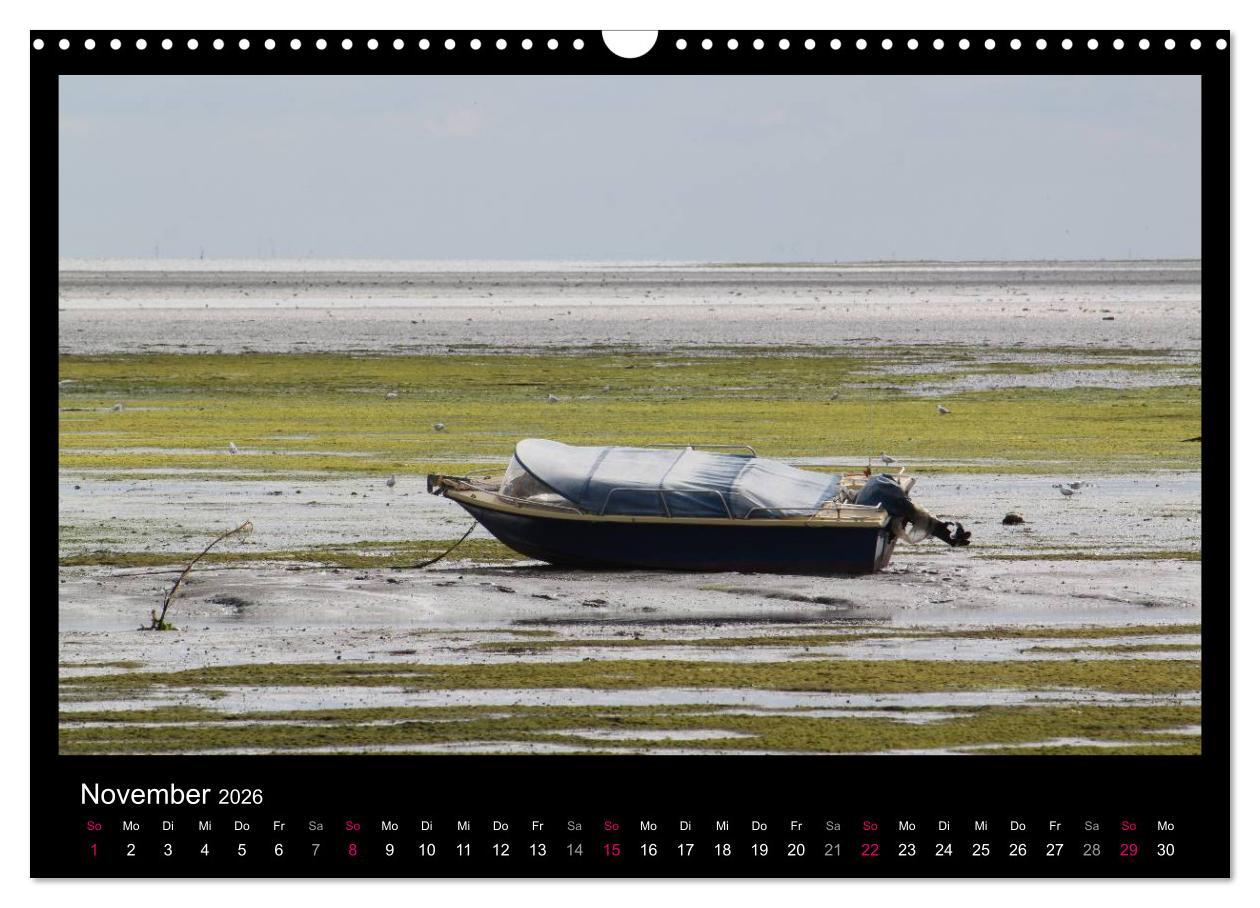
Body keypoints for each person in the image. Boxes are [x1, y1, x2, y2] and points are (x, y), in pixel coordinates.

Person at [853, 473, 971, 547]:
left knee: (918, 517)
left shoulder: (868, 487)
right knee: (919, 516)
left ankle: (952, 536)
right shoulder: (895, 494)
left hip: (864, 512)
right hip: (885, 508)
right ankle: (952, 536)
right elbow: (913, 515)